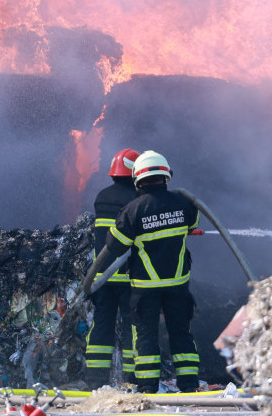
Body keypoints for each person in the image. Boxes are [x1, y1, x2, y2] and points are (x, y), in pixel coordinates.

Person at [87, 150, 201, 393]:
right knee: (181, 334)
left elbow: (115, 246)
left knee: (145, 336)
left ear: (138, 179)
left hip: (146, 287)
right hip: (177, 284)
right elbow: (193, 224)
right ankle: (190, 385)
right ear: (166, 176)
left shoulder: (133, 210)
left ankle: (148, 386)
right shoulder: (184, 204)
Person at [83, 148, 140, 389]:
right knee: (131, 326)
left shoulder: (102, 196)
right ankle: (132, 378)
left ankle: (96, 379)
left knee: (102, 325)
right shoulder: (138, 200)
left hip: (102, 277)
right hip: (129, 277)